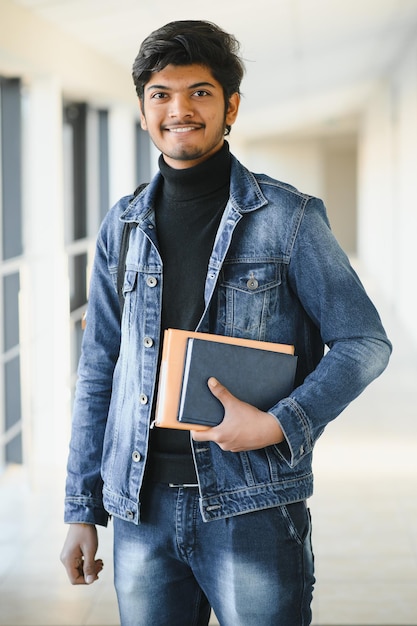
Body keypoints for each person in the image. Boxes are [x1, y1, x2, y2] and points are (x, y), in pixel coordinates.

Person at [60, 20, 392, 626]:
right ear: (142, 110)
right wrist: (80, 508)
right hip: (140, 511)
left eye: (200, 92)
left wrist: (276, 424)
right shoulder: (123, 226)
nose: (179, 109)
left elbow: (365, 341)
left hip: (253, 507)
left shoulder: (289, 218)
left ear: (231, 105)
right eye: (160, 94)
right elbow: (99, 369)